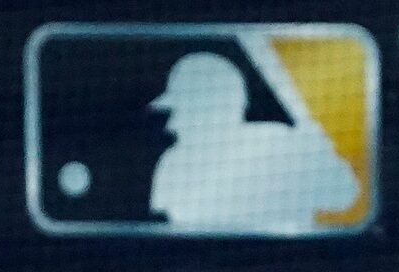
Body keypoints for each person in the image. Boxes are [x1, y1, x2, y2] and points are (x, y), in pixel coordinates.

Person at [149, 49, 361, 234]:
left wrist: (319, 154)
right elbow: (170, 238)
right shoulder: (174, 163)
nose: (171, 125)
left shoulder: (283, 148)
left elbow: (345, 197)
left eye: (182, 112)